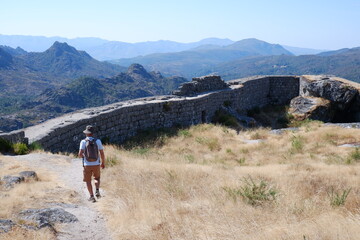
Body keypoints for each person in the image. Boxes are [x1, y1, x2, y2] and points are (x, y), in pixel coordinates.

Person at [78, 125, 105, 203]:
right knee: (97, 178)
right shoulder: (98, 141)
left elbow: (80, 154)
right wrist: (103, 162)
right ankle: (97, 190)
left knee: (88, 181)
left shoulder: (83, 142)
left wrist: (84, 156)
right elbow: (102, 153)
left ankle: (92, 196)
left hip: (87, 164)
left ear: (86, 133)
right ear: (92, 133)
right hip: (96, 163)